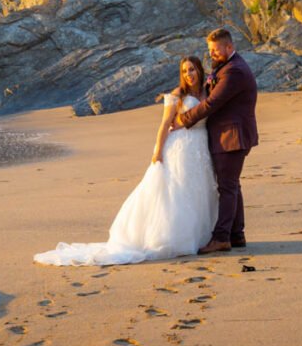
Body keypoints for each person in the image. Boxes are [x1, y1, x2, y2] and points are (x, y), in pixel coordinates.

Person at [33, 57, 218, 266]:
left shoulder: (208, 92)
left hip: (200, 146)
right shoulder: (177, 95)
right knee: (179, 190)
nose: (189, 74)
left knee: (198, 191)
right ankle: (174, 239)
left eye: (192, 70)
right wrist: (157, 151)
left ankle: (199, 237)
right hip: (180, 147)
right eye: (184, 71)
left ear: (200, 70)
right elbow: (165, 124)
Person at [174, 28, 258, 254]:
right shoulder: (228, 66)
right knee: (232, 185)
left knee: (227, 187)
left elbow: (212, 103)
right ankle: (236, 234)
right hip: (230, 135)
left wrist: (184, 118)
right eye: (209, 50)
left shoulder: (234, 72)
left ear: (229, 47)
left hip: (231, 136)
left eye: (215, 49)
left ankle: (221, 237)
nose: (211, 54)